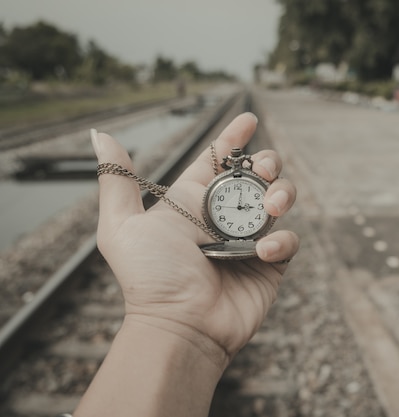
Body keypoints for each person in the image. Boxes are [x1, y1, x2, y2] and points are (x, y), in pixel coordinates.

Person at [71, 112, 299, 416]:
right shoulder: (212, 200)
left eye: (249, 206)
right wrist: (170, 321)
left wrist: (172, 329)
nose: (245, 206)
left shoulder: (227, 193)